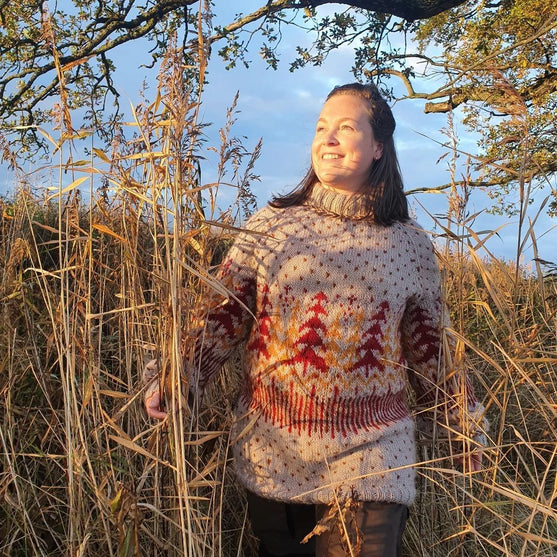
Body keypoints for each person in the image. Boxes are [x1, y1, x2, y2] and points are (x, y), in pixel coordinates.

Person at [143, 82, 487, 556]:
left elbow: (432, 350)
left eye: (346, 128)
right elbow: (222, 316)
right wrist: (175, 377)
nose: (328, 138)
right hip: (273, 451)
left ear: (379, 146)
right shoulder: (273, 225)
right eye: (322, 127)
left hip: (374, 457)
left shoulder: (409, 244)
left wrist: (462, 426)